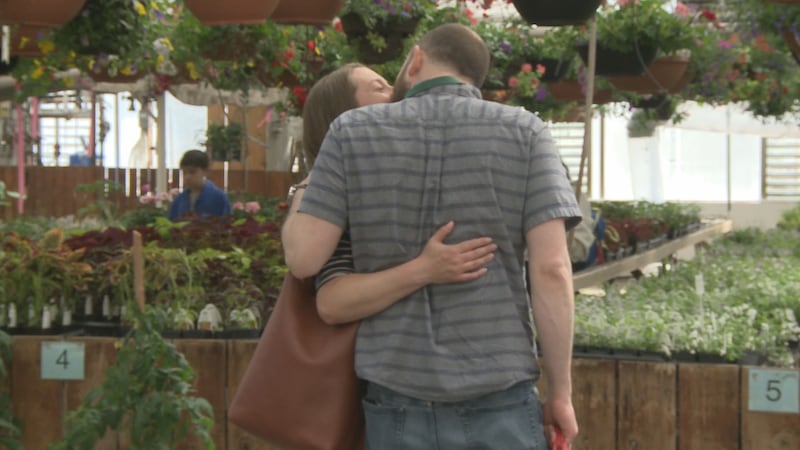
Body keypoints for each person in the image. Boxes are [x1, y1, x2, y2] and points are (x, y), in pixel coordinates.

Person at [283, 23, 582, 449]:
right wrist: (561, 394)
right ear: (475, 76)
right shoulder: (527, 132)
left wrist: (305, 187)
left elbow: (304, 260)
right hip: (500, 398)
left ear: (417, 59)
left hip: (396, 402)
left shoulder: (350, 132)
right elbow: (552, 270)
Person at [291, 63, 498, 325]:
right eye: (380, 88)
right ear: (343, 114)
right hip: (371, 356)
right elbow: (332, 302)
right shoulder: (343, 200)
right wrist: (424, 269)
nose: (396, 91)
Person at [168, 149, 231, 221]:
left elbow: (227, 224)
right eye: (184, 173)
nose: (187, 177)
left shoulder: (219, 198)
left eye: (192, 172)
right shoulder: (179, 200)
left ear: (205, 171)